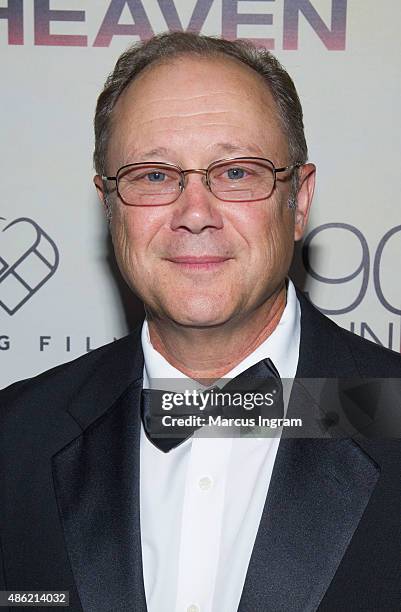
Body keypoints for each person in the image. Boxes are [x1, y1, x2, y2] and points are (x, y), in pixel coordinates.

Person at [1, 32, 400, 612]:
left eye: (237, 172)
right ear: (109, 207)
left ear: (300, 200)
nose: (194, 214)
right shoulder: (16, 442)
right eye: (154, 175)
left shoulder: (391, 413)